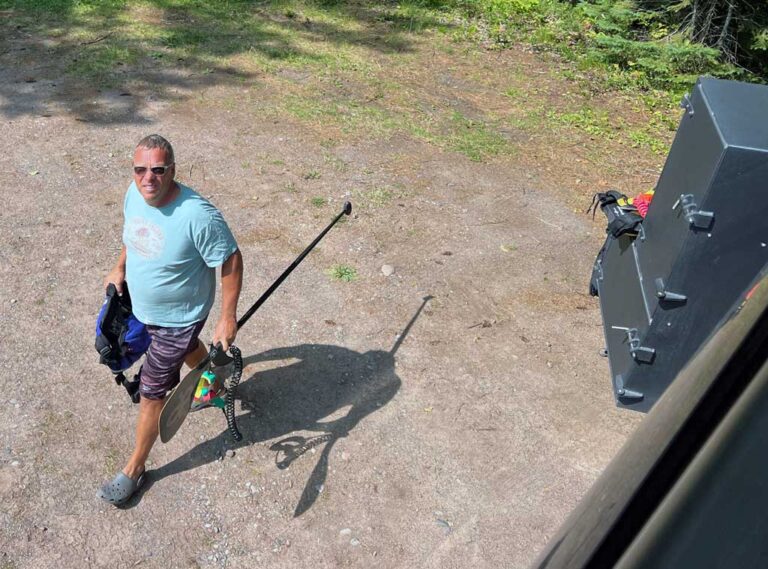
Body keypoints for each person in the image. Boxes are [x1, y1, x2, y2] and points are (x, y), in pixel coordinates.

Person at [97, 134, 243, 505]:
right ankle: (213, 378)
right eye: (140, 169)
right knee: (188, 352)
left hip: (180, 318)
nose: (149, 178)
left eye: (158, 170)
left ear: (172, 171)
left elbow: (230, 259)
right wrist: (118, 268)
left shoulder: (197, 214)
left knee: (151, 391)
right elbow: (133, 236)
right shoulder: (135, 194)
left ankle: (135, 469)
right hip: (142, 309)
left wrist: (227, 318)